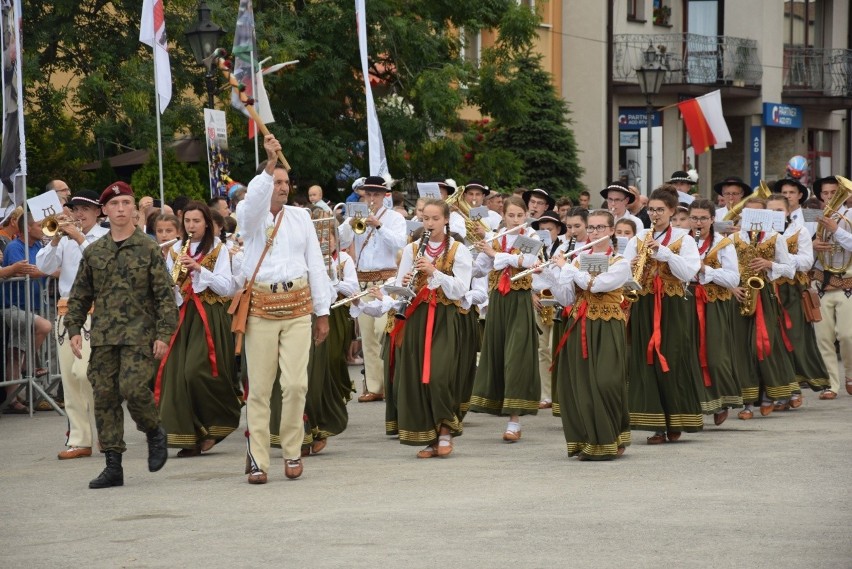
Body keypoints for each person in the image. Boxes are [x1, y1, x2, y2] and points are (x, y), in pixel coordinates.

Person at [64, 181, 179, 489]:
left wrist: (164, 334)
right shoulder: (94, 252)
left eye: (126, 203)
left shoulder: (149, 248)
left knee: (133, 388)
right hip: (103, 336)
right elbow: (80, 295)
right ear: (105, 210)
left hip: (140, 335)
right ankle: (113, 464)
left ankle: (154, 430)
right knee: (104, 397)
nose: (120, 209)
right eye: (114, 205)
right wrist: (74, 329)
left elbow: (164, 297)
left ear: (134, 209)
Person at [236, 135, 331, 484]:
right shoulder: (249, 216)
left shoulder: (301, 217)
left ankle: (292, 449)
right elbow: (252, 204)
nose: (282, 187)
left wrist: (323, 313)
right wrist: (270, 162)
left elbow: (316, 265)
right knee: (259, 388)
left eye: (286, 182)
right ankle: (259, 458)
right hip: (260, 306)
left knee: (295, 385)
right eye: (276, 181)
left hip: (298, 307)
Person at [156, 201, 241, 457]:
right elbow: (171, 287)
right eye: (188, 222)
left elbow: (226, 287)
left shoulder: (220, 249)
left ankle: (217, 424)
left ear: (207, 223)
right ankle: (190, 436)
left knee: (197, 372)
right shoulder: (174, 251)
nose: (191, 226)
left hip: (210, 316)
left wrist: (199, 269)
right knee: (177, 376)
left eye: (196, 221)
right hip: (183, 315)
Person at [390, 199, 472, 458]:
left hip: (445, 318)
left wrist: (434, 271)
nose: (430, 223)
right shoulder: (412, 248)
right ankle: (430, 437)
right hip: (417, 317)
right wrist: (406, 284)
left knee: (439, 376)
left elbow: (460, 289)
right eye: (426, 218)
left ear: (446, 219)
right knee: (417, 379)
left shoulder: (459, 250)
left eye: (435, 219)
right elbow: (400, 288)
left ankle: (446, 430)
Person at [546, 210, 630, 460]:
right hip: (579, 323)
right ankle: (589, 441)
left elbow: (596, 285)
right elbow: (568, 298)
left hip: (607, 325)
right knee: (580, 385)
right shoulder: (576, 261)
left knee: (606, 381)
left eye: (600, 228)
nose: (595, 233)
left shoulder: (620, 262)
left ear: (611, 231)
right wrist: (550, 272)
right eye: (591, 228)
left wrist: (568, 269)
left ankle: (613, 435)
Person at [624, 186, 703, 444]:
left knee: (673, 358)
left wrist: (665, 253)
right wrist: (632, 265)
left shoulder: (685, 239)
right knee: (644, 361)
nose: (655, 214)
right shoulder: (638, 238)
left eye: (660, 210)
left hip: (673, 305)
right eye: (651, 209)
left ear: (671, 211)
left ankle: (677, 420)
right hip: (644, 303)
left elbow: (689, 273)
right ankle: (656, 425)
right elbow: (623, 272)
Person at [35, 190, 109, 458]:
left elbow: (101, 263)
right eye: (75, 209)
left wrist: (78, 238)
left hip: (94, 311)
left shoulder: (104, 237)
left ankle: (106, 430)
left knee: (85, 372)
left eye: (85, 209)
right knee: (69, 377)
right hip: (66, 311)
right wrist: (55, 240)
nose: (78, 214)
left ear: (98, 212)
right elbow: (43, 266)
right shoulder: (64, 240)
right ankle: (80, 440)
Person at [470, 196, 540, 441]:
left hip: (519, 300)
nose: (515, 220)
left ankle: (515, 419)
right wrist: (481, 247)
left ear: (525, 216)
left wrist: (495, 254)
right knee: (498, 353)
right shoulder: (497, 236)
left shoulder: (531, 237)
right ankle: (496, 404)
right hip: (498, 300)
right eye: (511, 215)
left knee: (516, 356)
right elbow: (479, 269)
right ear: (504, 215)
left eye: (519, 216)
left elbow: (527, 262)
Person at [339, 175, 407, 403]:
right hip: (363, 281)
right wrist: (350, 224)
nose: (372, 198)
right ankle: (375, 387)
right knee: (367, 336)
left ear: (384, 195)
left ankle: (393, 380)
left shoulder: (395, 218)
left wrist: (377, 226)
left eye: (376, 194)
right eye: (368, 194)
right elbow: (339, 241)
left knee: (382, 331)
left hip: (386, 281)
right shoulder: (355, 215)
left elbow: (399, 244)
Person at [730, 198, 796, 418]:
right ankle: (747, 402)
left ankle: (769, 394)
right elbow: (721, 267)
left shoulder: (775, 238)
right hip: (740, 294)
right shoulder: (732, 238)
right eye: (750, 213)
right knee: (741, 349)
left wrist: (769, 265)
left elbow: (789, 270)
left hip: (765, 294)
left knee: (764, 345)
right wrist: (732, 288)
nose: (755, 218)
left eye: (760, 213)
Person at [766, 194, 829, 409]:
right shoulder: (759, 233)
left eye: (778, 211)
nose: (774, 215)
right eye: (770, 211)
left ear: (786, 212)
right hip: (766, 290)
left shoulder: (799, 231)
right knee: (772, 341)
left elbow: (805, 262)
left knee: (792, 338)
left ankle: (794, 387)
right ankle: (783, 390)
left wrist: (780, 260)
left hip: (792, 290)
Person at [686, 199, 742, 425]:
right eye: (694, 218)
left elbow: (733, 278)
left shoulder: (723, 243)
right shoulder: (682, 241)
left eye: (703, 218)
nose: (698, 223)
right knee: (687, 354)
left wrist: (704, 269)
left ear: (712, 220)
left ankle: (723, 400)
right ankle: (694, 406)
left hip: (714, 303)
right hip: (685, 301)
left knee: (716, 355)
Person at [2, 213, 53, 410]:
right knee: (44, 326)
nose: (44, 228)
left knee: (15, 351)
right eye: (40, 225)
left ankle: (15, 400)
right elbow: (27, 271)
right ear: (27, 228)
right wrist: (49, 271)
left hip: (33, 306)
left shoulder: (40, 246)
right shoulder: (15, 247)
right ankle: (28, 365)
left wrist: (47, 269)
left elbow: (49, 266)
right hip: (12, 306)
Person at [811, 176, 852, 400]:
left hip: (848, 282)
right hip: (821, 282)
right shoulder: (811, 218)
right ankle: (831, 384)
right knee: (823, 337)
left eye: (834, 192)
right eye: (825, 193)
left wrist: (836, 230)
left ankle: (850, 374)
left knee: (847, 336)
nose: (830, 197)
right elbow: (796, 250)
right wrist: (812, 245)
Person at [530, 210, 567, 409]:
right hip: (540, 301)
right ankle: (546, 395)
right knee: (542, 349)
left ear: (558, 230)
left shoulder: (565, 248)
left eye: (549, 229)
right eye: (542, 229)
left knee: (555, 348)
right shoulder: (534, 249)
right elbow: (525, 275)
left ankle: (559, 393)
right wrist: (532, 295)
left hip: (558, 301)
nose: (545, 233)